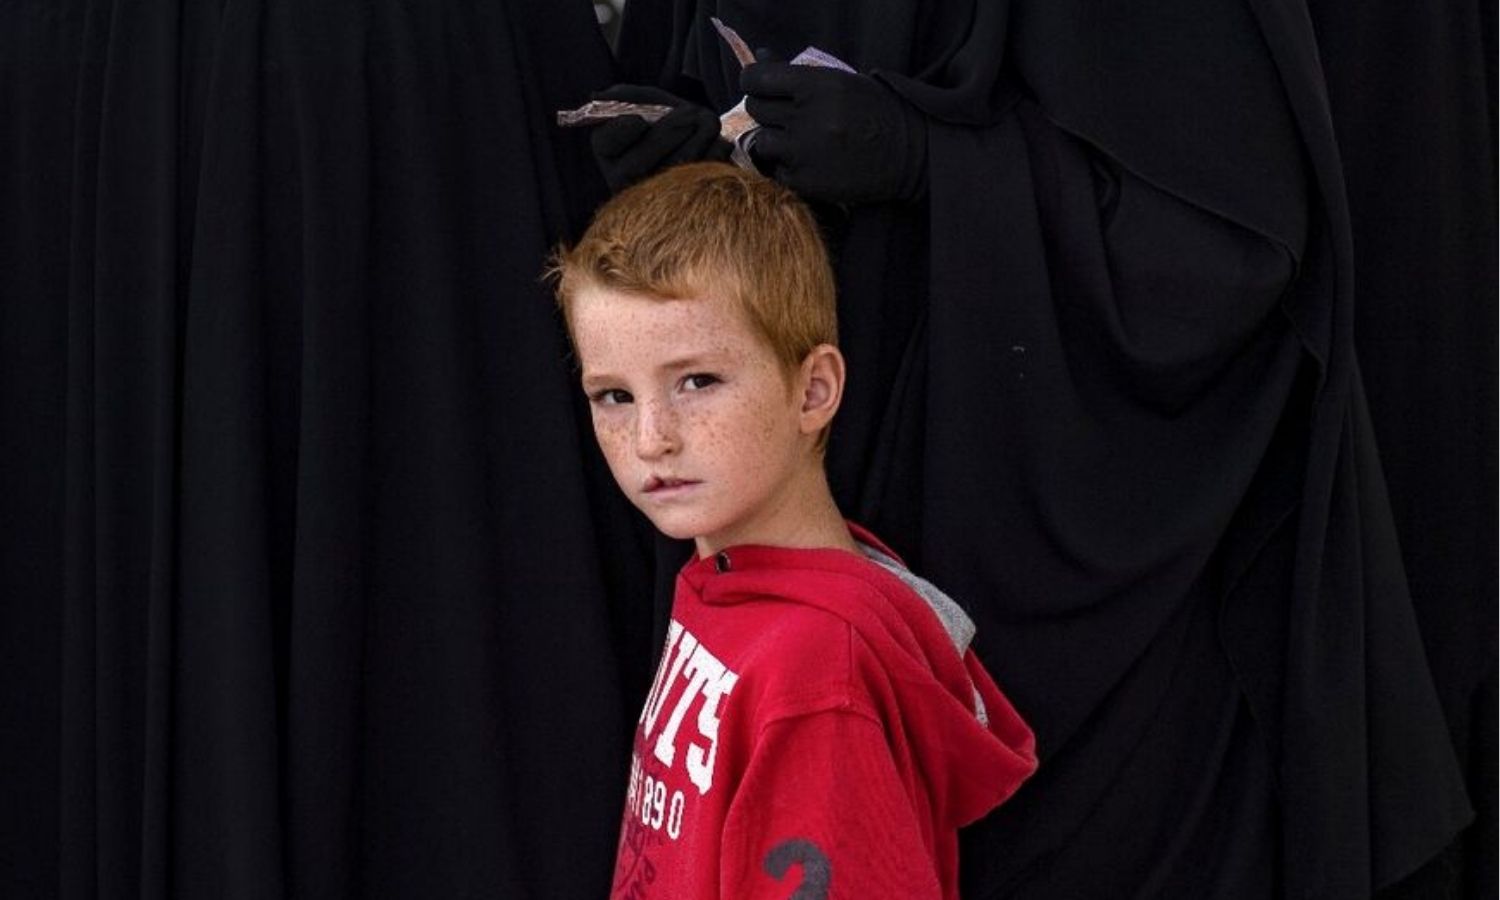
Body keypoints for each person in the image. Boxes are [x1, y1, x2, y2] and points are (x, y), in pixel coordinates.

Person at [581, 2, 1475, 897]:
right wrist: (706, 159)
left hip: (1081, 598)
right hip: (796, 545)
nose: (647, 435)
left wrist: (927, 157)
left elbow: (1221, 249)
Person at [549, 161, 1038, 899]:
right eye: (613, 395)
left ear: (813, 390)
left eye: (697, 381)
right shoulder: (729, 583)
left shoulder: (817, 670)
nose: (651, 438)